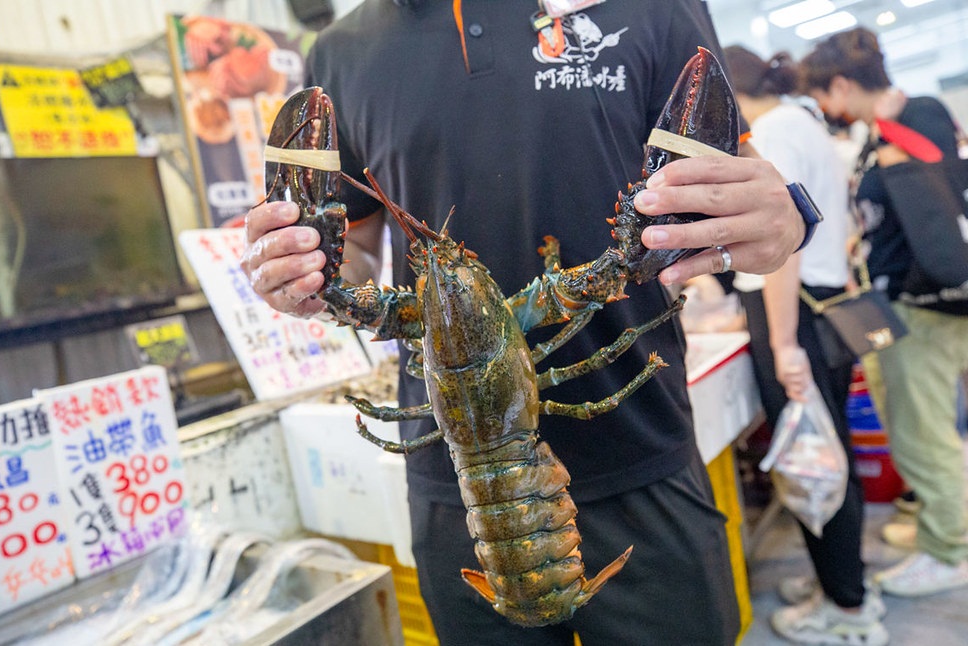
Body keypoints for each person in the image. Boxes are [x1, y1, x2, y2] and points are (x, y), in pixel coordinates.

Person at [243, 2, 808, 643]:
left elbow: (724, 194)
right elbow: (364, 253)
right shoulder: (342, 49)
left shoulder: (651, 7)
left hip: (643, 455)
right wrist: (304, 278)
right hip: (455, 491)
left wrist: (786, 222)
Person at [723, 45, 888, 645]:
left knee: (816, 459)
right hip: (821, 310)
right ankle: (841, 585)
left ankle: (847, 608)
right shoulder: (805, 123)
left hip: (795, 316)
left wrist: (786, 344)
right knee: (826, 450)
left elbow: (783, 243)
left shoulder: (776, 131)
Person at [801, 26, 968, 599]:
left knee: (923, 434)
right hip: (907, 302)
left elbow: (934, 207)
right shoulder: (882, 133)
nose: (825, 109)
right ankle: (940, 526)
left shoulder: (913, 116)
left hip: (925, 305)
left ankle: (951, 550)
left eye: (825, 95)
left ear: (843, 84)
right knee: (918, 427)